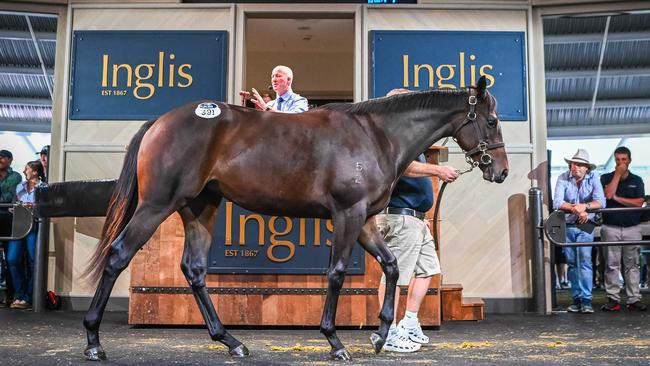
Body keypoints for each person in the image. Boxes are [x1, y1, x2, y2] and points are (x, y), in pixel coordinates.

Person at [376, 88, 459, 353]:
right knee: (394, 277)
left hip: (415, 217)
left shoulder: (409, 134)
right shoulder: (392, 134)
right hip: (400, 215)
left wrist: (420, 216)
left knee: (428, 270)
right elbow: (403, 167)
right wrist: (438, 170)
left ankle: (409, 322)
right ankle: (386, 333)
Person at [553, 148, 605, 314]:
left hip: (585, 224)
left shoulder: (594, 179)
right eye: (573, 163)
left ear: (586, 168)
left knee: (584, 261)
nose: (574, 166)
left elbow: (601, 202)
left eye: (579, 164)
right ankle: (577, 299)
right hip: (568, 225)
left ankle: (586, 300)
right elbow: (557, 203)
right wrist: (579, 209)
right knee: (572, 263)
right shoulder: (562, 177)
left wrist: (585, 207)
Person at [599, 147, 647, 311]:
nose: (620, 163)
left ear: (629, 161)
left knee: (632, 265)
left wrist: (618, 199)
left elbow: (639, 202)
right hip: (610, 227)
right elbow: (607, 195)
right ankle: (613, 299)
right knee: (611, 265)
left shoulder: (637, 179)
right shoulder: (606, 177)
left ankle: (634, 299)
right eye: (618, 159)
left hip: (632, 228)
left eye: (624, 160)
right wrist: (617, 175)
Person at [6, 160, 46, 309]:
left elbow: (45, 208)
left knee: (32, 261)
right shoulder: (19, 186)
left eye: (27, 169)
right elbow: (12, 205)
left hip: (34, 226)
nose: (24, 171)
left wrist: (33, 207)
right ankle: (19, 293)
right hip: (18, 225)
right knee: (12, 259)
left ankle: (28, 297)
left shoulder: (44, 188)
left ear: (35, 172)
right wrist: (16, 208)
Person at [0, 149, 22, 306]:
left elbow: (9, 197)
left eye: (2, 157)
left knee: (10, 258)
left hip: (7, 221)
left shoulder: (15, 177)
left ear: (10, 160)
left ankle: (10, 294)